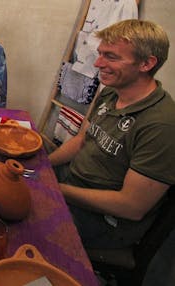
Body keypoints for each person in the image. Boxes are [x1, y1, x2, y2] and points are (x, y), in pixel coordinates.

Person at [49, 19, 175, 249]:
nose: (98, 63)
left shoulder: (162, 124)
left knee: (24, 218)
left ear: (147, 63)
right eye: (100, 54)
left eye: (111, 57)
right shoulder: (110, 93)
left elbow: (131, 207)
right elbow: (80, 141)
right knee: (24, 154)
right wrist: (43, 165)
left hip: (104, 220)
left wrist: (55, 189)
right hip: (74, 181)